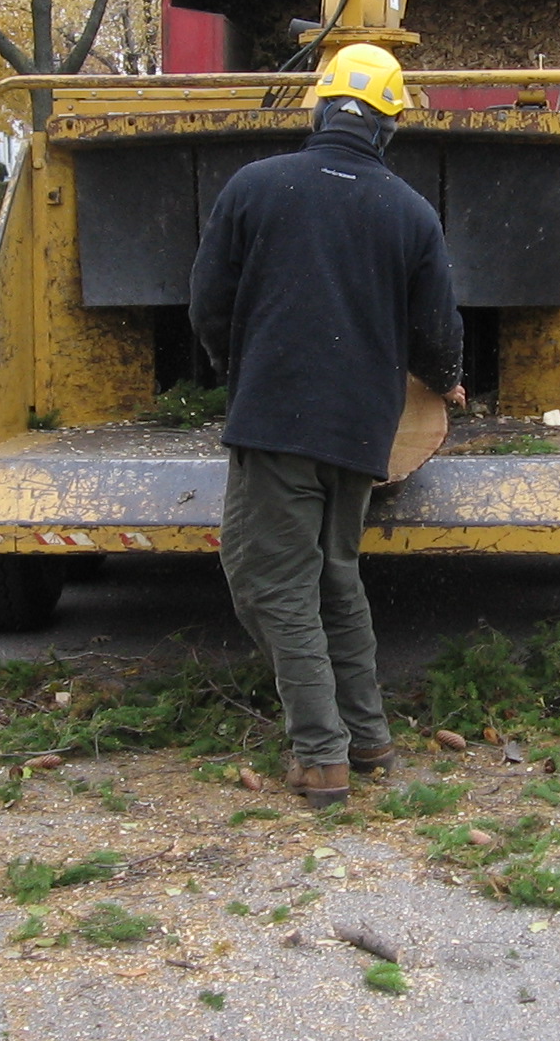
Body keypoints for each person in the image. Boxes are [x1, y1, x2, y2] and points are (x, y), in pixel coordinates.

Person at [189, 44, 464, 809]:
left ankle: (321, 756)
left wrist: (232, 369)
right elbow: (437, 327)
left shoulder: (255, 187)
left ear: (320, 110)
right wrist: (447, 381)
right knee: (335, 577)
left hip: (277, 419)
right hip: (362, 429)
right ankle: (368, 735)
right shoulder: (411, 212)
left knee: (271, 582)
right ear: (387, 127)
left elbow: (208, 300)